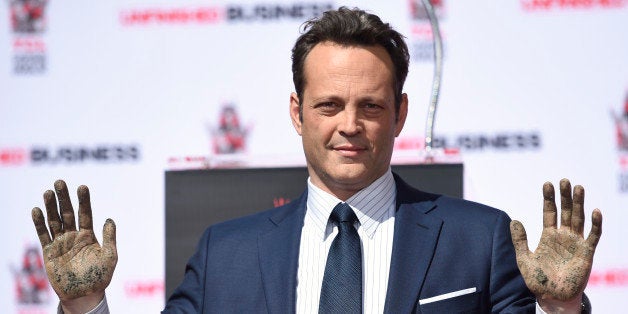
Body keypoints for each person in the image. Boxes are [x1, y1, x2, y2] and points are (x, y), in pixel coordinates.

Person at [31, 7, 602, 314]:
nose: (349, 125)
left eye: (370, 106)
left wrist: (562, 310)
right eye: (329, 104)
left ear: (400, 114)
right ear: (297, 112)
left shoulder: (479, 239)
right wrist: (84, 308)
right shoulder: (224, 255)